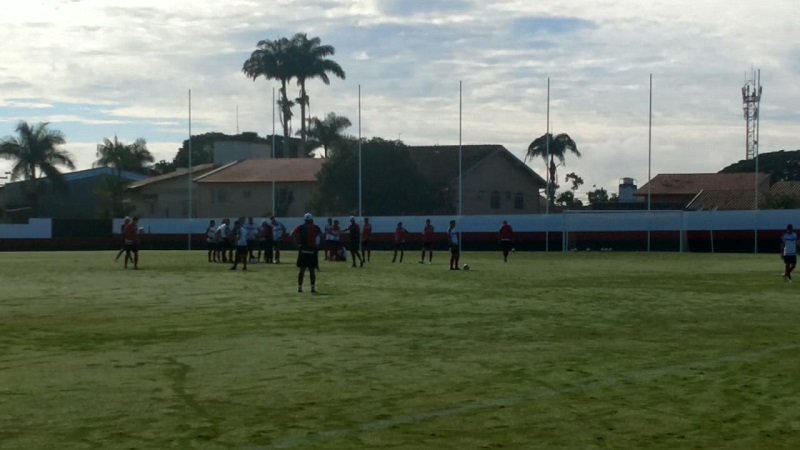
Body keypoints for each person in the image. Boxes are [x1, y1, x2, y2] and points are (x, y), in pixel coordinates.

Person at [291, 213, 322, 293]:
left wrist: (296, 245)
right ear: (311, 220)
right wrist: (318, 245)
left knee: (302, 270)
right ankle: (312, 288)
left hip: (303, 250)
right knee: (312, 270)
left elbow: (292, 234)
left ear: (304, 220)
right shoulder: (315, 227)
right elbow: (322, 236)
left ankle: (300, 288)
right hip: (312, 250)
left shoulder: (300, 227)